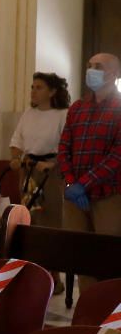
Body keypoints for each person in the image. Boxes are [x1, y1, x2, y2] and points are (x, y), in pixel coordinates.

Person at [58, 53, 121, 291]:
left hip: (109, 194)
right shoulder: (78, 107)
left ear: (114, 74)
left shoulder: (119, 107)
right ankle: (87, 309)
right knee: (80, 255)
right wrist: (71, 182)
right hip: (75, 196)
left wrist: (84, 183)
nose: (91, 70)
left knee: (107, 258)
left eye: (98, 66)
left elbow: (117, 155)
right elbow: (64, 147)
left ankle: (109, 311)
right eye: (89, 66)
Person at [10, 72, 70, 225]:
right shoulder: (28, 114)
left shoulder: (62, 115)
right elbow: (17, 141)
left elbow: (68, 146)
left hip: (50, 170)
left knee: (51, 214)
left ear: (52, 91)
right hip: (29, 169)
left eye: (39, 87)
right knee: (28, 213)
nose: (33, 91)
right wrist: (17, 159)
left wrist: (53, 164)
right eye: (32, 87)